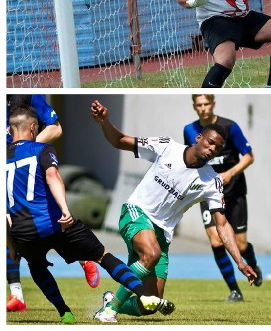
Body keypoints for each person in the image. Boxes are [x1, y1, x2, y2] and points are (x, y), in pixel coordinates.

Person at [90, 100, 257, 322]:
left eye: (217, 148)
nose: (212, 150)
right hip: (135, 212)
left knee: (149, 304)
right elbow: (120, 140)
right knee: (151, 253)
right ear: (199, 138)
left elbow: (222, 224)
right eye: (209, 143)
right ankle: (108, 312)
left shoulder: (212, 181)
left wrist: (240, 262)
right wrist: (104, 122)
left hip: (162, 234)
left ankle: (113, 301)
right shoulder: (166, 146)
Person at [6, 105, 174, 324]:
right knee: (103, 256)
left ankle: (64, 312)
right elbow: (53, 176)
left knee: (36, 267)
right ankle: (143, 295)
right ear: (32, 128)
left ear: (10, 131)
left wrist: (11, 243)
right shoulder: (41, 150)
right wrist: (65, 209)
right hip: (56, 223)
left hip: (22, 231)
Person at [6, 95, 99, 314]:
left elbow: (56, 129)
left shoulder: (27, 94)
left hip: (29, 169)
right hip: (8, 176)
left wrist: (25, 150)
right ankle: (16, 295)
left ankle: (83, 257)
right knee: (12, 236)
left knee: (52, 220)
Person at [183, 94, 262, 303]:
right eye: (198, 105)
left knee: (241, 245)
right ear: (194, 107)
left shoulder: (230, 127)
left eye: (206, 104)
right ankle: (234, 290)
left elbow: (249, 156)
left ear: (213, 104)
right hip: (208, 194)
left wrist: (230, 173)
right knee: (216, 241)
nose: (203, 108)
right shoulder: (189, 130)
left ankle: (252, 264)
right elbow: (190, 159)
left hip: (234, 191)